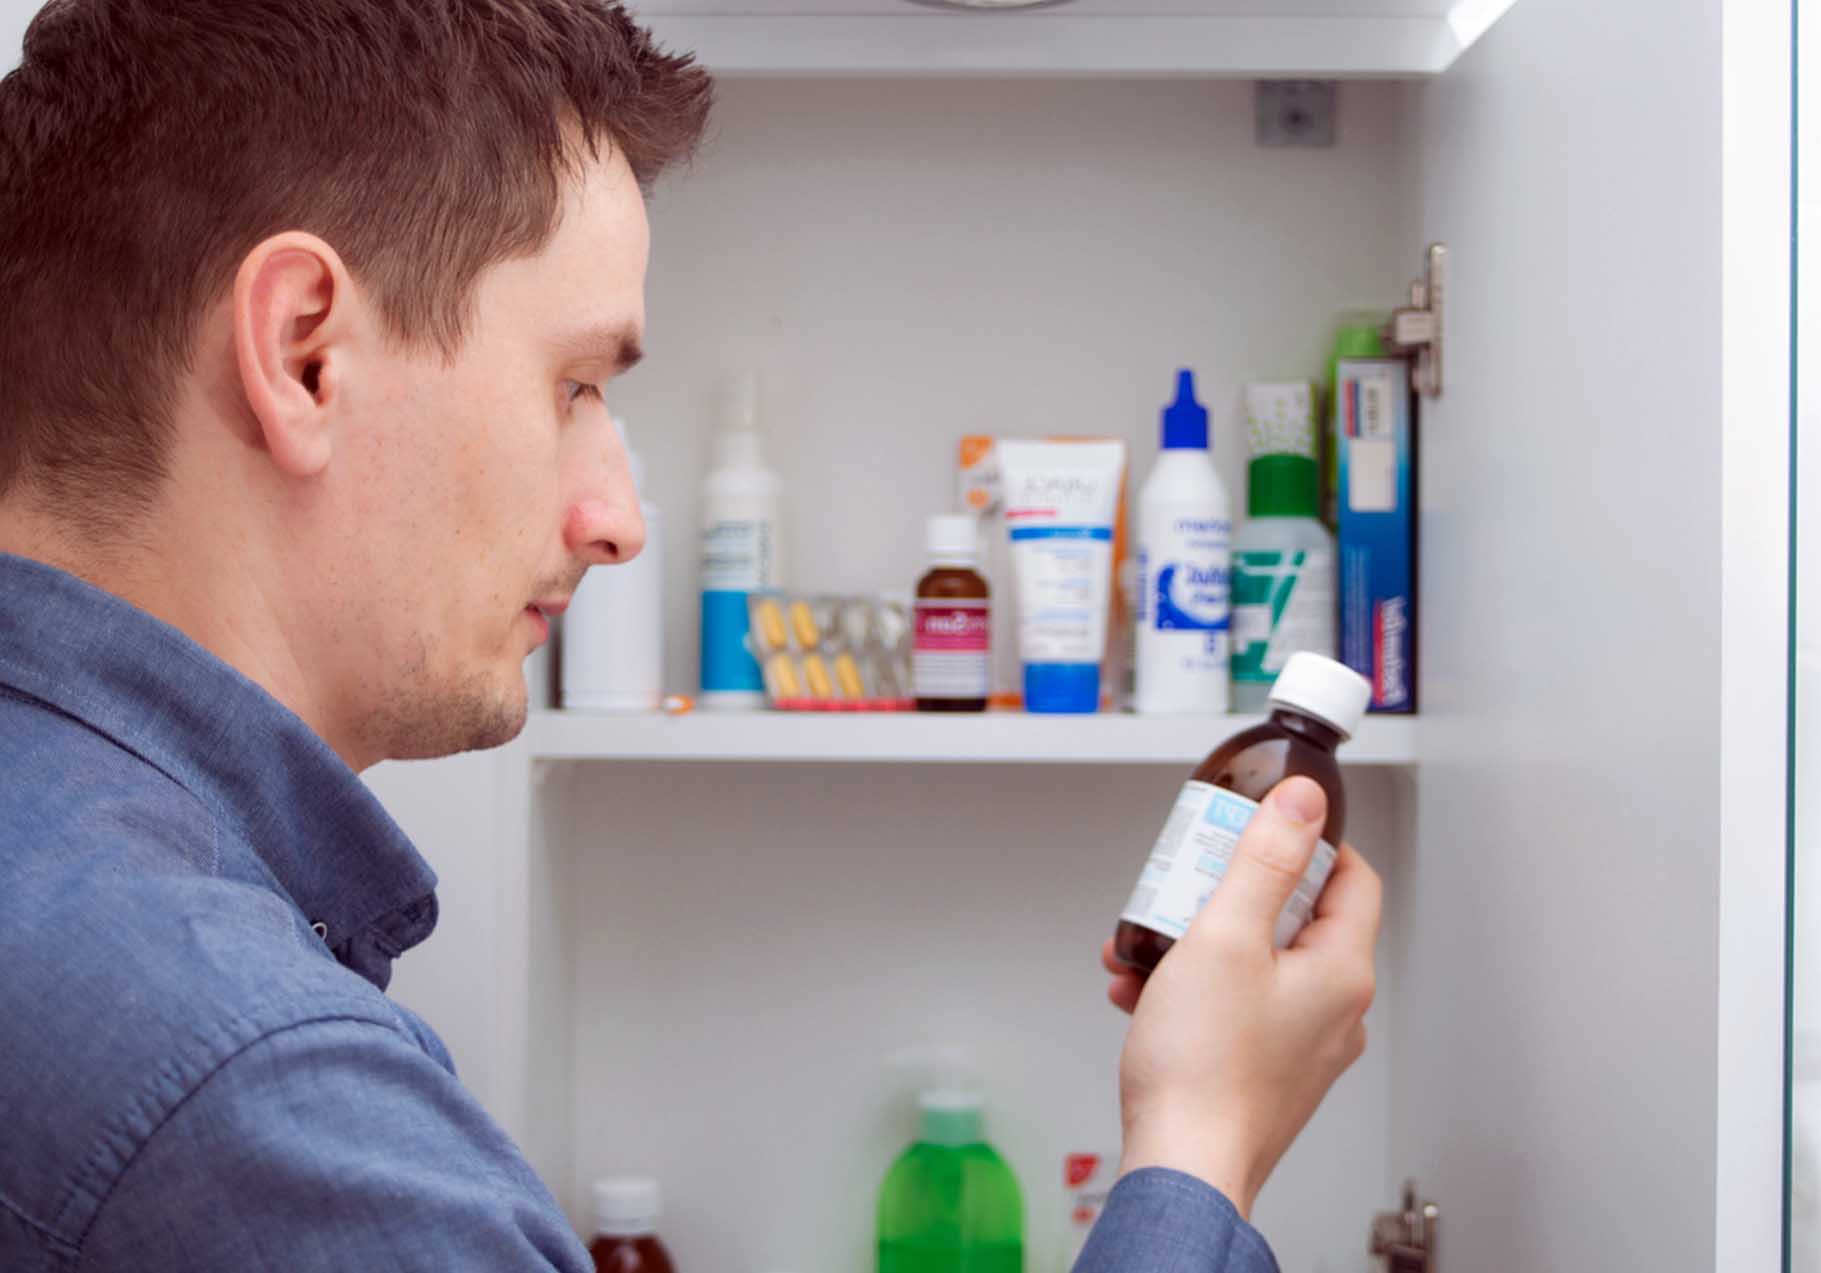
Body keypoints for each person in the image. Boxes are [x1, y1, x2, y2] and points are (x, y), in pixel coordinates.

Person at [0, 2, 1381, 1269]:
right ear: (307, 350)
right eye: (576, 382)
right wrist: (1200, 1140)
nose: (617, 521)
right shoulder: (257, 1105)